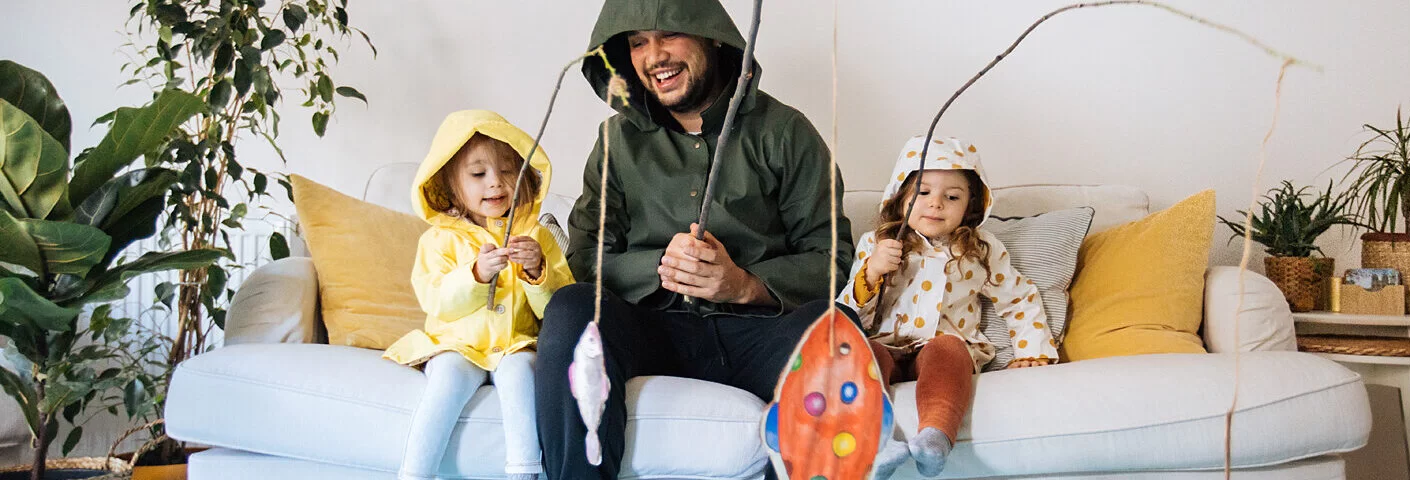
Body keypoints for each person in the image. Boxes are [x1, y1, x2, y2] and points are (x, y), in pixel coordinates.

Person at [533, 0, 854, 478]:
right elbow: (584, 256)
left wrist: (743, 284)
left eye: (670, 35)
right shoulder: (615, 143)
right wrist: (660, 265)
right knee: (573, 307)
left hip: (756, 334)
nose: (653, 54)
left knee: (837, 329)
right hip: (653, 331)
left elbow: (831, 258)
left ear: (709, 36)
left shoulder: (786, 132)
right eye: (638, 42)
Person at [838, 136, 1057, 478]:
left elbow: (1018, 298)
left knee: (949, 349)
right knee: (864, 355)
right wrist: (873, 272)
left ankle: (935, 437)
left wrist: (1032, 351)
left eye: (951, 196)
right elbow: (847, 314)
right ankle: (872, 443)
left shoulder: (980, 249)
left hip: (943, 347)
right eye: (923, 193)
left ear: (970, 206)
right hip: (886, 345)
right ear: (901, 197)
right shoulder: (877, 243)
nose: (935, 204)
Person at [383, 110, 574, 480]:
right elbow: (435, 300)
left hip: (517, 344)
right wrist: (474, 275)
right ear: (450, 185)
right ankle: (414, 473)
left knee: (521, 374)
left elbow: (560, 311)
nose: (496, 183)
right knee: (447, 381)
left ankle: (524, 472)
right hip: (457, 344)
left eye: (507, 170)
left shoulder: (538, 237)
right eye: (478, 173)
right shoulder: (439, 240)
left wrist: (537, 272)